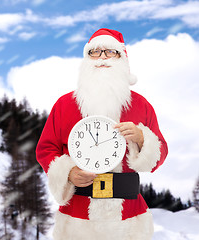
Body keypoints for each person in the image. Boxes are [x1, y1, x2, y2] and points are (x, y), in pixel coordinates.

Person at [36, 28, 168, 240]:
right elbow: (46, 149)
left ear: (123, 59)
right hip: (78, 218)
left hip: (129, 217)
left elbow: (160, 153)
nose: (102, 57)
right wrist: (68, 173)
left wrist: (142, 138)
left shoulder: (142, 106)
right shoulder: (64, 105)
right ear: (86, 59)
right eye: (95, 52)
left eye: (110, 52)